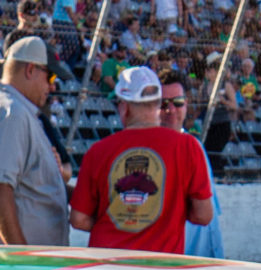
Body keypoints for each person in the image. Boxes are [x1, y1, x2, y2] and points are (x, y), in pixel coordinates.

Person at [70, 64, 209, 254]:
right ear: (158, 104)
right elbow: (203, 215)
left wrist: (118, 222)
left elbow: (79, 219)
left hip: (107, 262)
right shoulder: (187, 146)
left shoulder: (98, 151)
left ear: (124, 106)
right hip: (159, 264)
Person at [0, 33, 63, 245]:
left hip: (7, 258)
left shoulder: (2, 106)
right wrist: (20, 254)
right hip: (12, 261)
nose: (52, 87)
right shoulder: (10, 112)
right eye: (51, 77)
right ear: (30, 69)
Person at [168, 75, 223, 258]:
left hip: (204, 248)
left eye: (178, 102)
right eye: (163, 103)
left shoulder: (194, 145)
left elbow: (210, 212)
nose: (170, 109)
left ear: (186, 104)